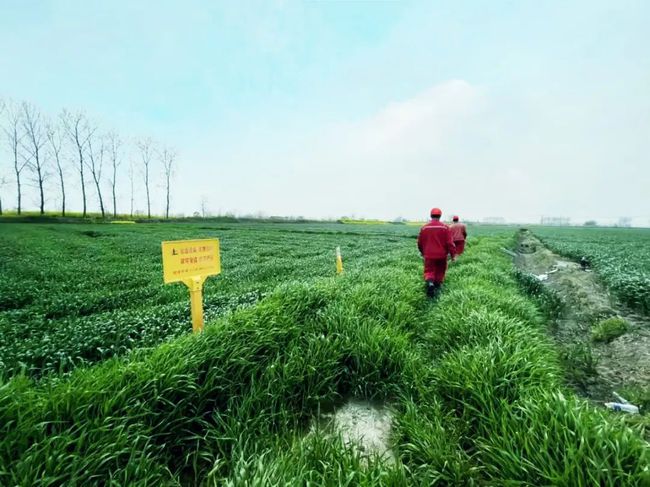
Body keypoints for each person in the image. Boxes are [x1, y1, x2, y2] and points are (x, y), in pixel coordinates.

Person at [417, 208, 456, 297]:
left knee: (429, 270)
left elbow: (419, 242)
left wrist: (422, 252)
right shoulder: (445, 227)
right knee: (440, 271)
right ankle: (437, 287)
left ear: (431, 216)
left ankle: (430, 283)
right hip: (442, 255)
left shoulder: (424, 228)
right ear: (440, 216)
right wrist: (453, 255)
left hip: (429, 254)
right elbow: (450, 243)